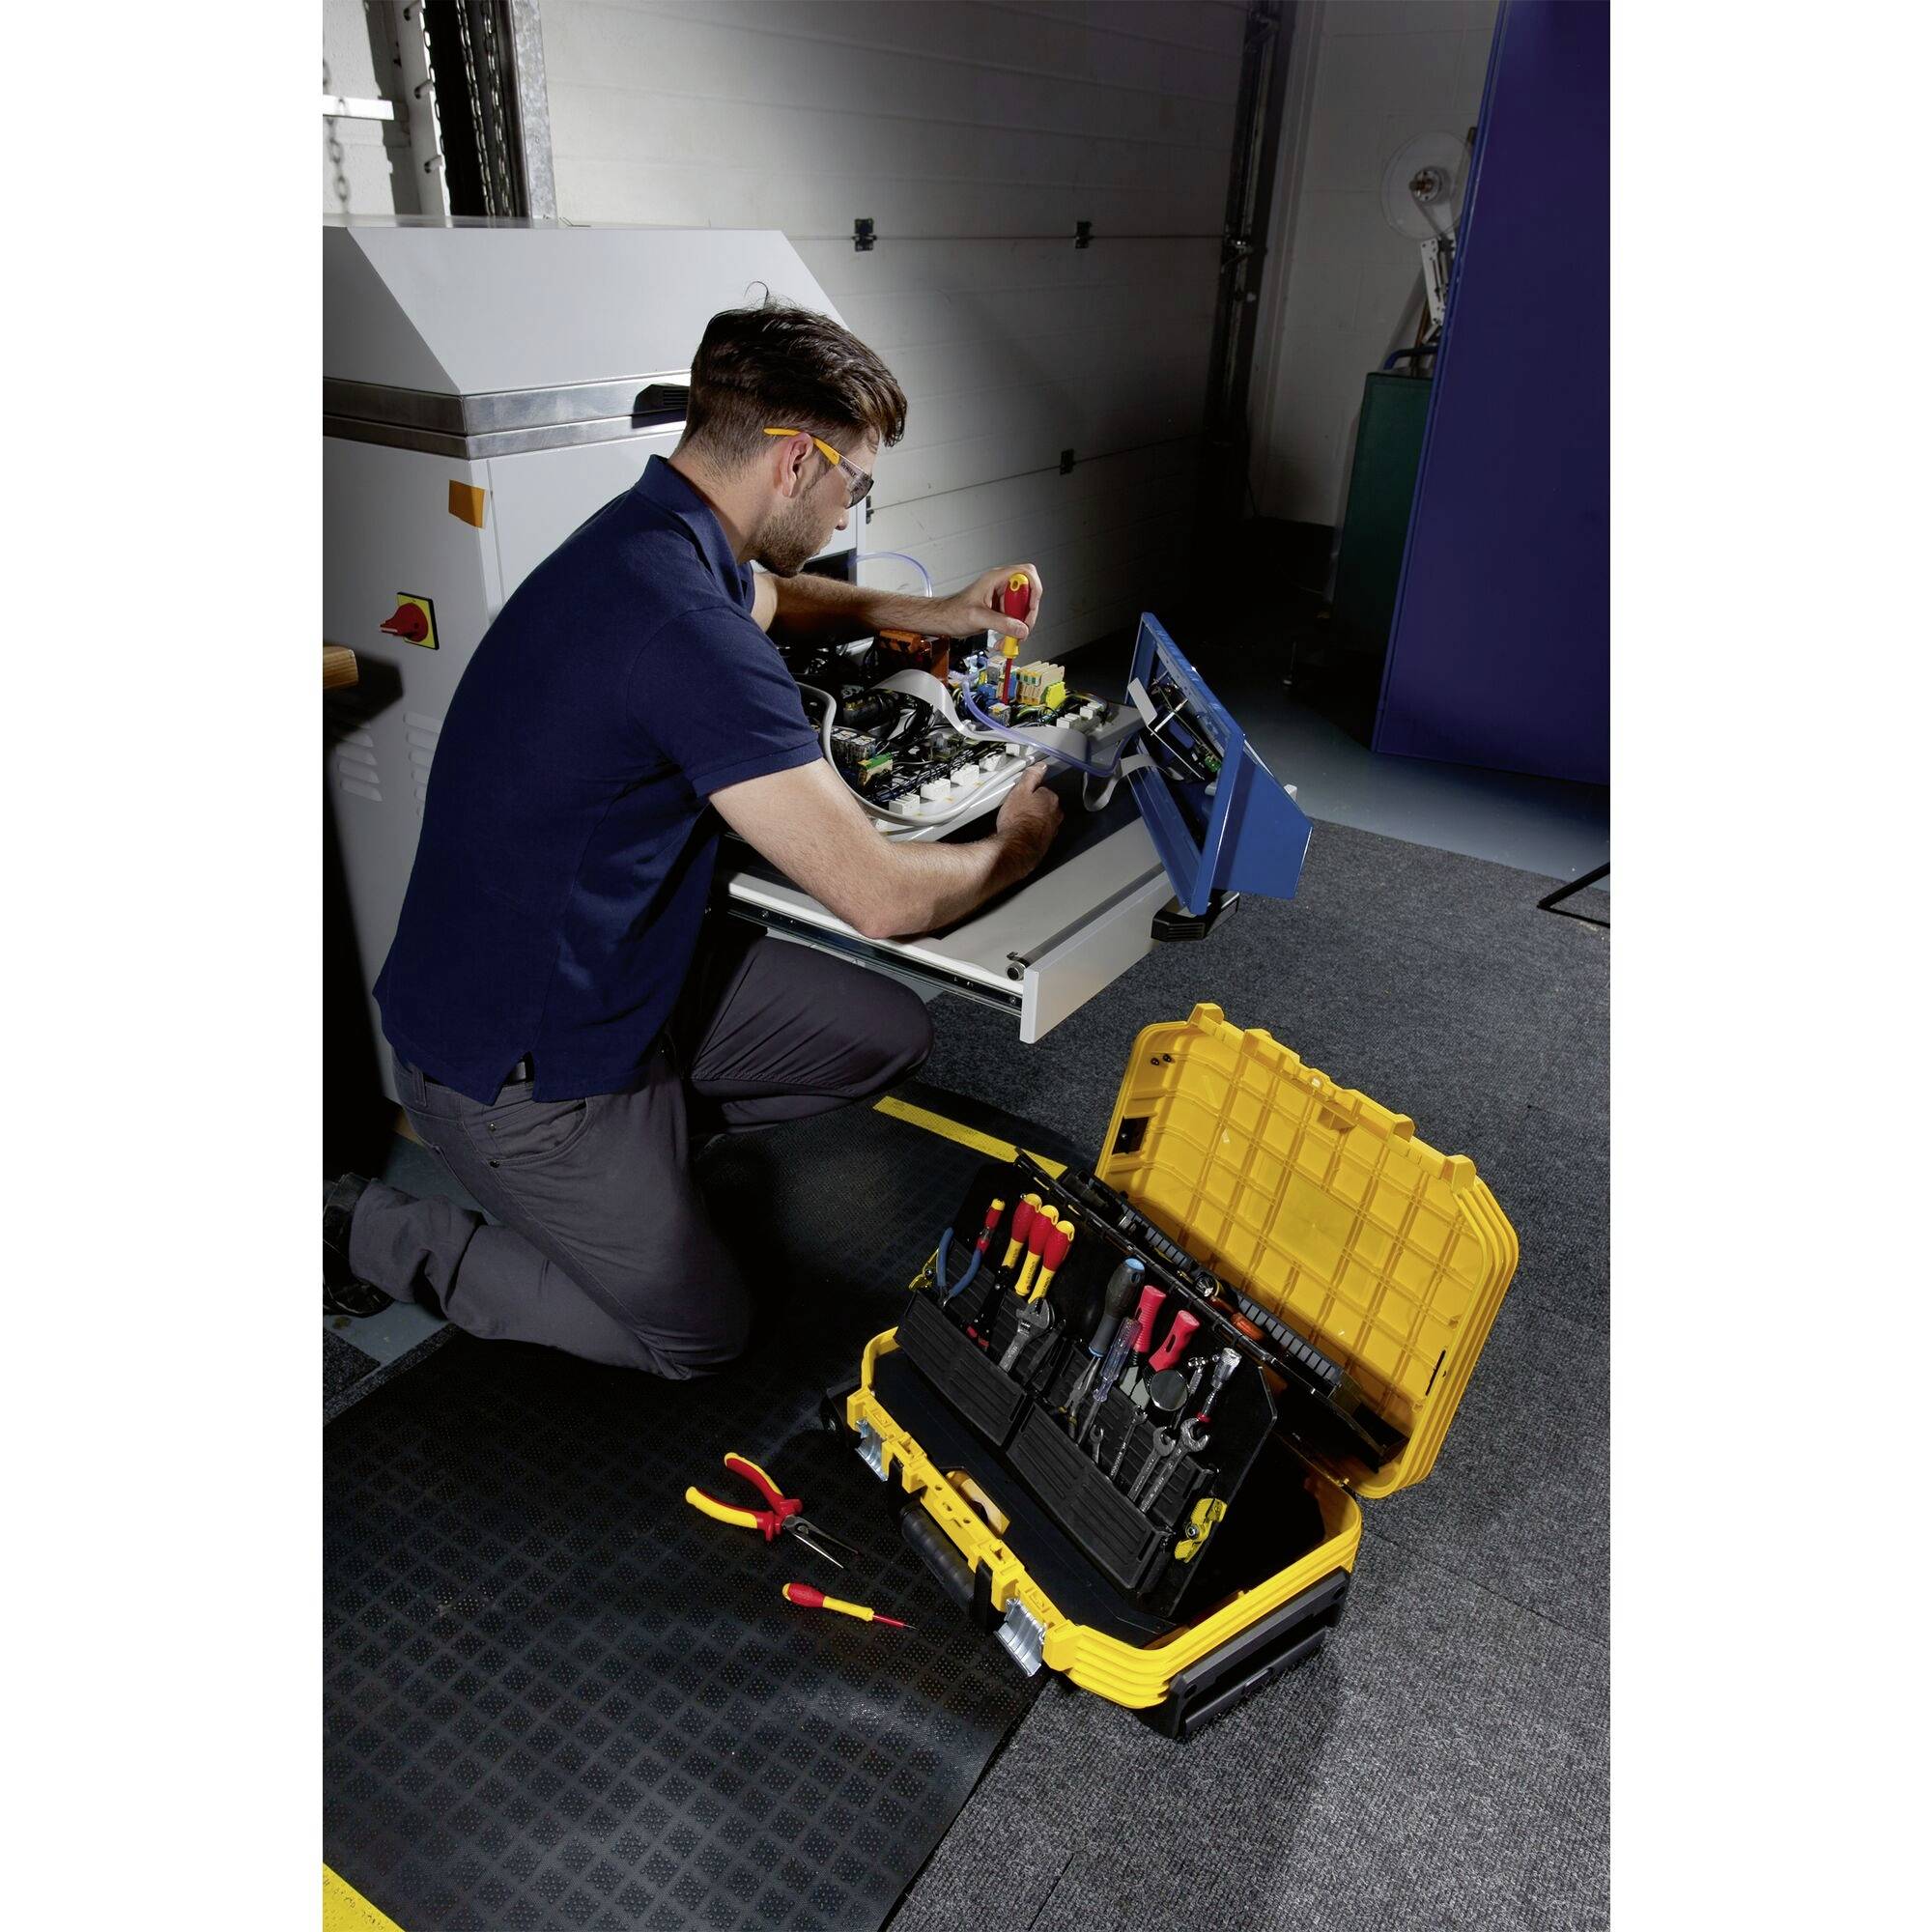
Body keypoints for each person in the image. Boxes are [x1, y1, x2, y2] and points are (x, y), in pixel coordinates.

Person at [324, 298, 1063, 1378]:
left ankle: (637, 1180)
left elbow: (773, 594)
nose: (852, 503)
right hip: (517, 1073)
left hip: (618, 987)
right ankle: (356, 1227)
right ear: (797, 462)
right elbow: (885, 900)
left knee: (885, 1032)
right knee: (694, 1334)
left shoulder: (653, 534)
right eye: (855, 482)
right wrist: (1021, 840)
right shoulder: (682, 629)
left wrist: (932, 615)